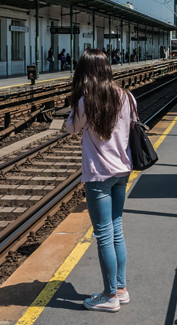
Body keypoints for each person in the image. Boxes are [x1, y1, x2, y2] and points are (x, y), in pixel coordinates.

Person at [66, 49, 136, 312]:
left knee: (104, 235)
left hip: (98, 175)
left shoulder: (86, 101)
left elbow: (72, 129)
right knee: (116, 230)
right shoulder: (126, 96)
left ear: (85, 72)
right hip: (122, 172)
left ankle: (109, 297)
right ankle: (121, 288)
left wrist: (73, 110)